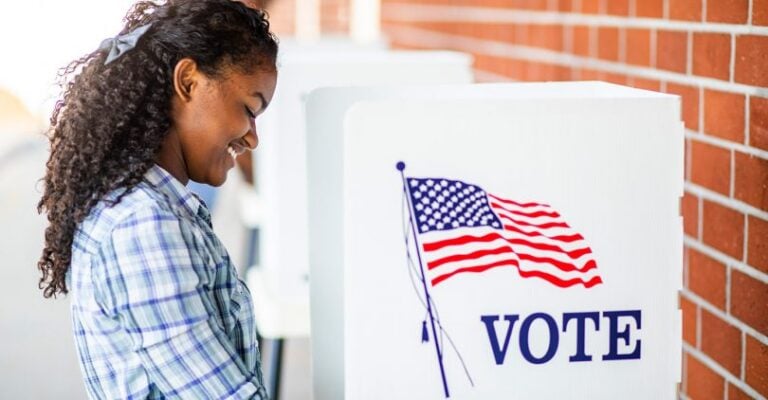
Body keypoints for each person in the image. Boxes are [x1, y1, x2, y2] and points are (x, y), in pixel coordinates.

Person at [36, 0, 278, 398]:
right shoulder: (143, 226)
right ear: (187, 82)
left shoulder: (150, 209)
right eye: (249, 109)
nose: (253, 137)